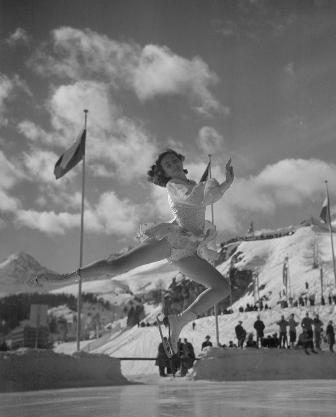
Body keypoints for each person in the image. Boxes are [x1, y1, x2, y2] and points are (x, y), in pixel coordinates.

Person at [35, 149, 234, 355]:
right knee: (116, 267)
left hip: (189, 247)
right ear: (164, 173)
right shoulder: (174, 185)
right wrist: (209, 187)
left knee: (221, 287)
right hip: (171, 238)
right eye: (168, 165)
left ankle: (179, 321)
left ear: (181, 161)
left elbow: (209, 196)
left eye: (174, 160)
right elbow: (194, 199)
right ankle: (63, 278)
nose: (173, 164)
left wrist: (227, 182)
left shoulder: (193, 184)